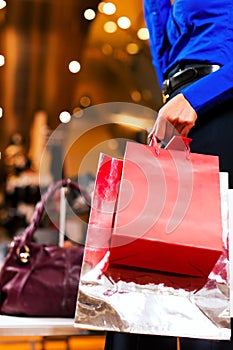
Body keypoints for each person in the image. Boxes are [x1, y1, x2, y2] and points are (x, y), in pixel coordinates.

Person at [104, 0, 233, 349]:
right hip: (180, 115)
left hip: (221, 107)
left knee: (210, 298)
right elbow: (166, 60)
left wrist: (194, 96)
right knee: (143, 292)